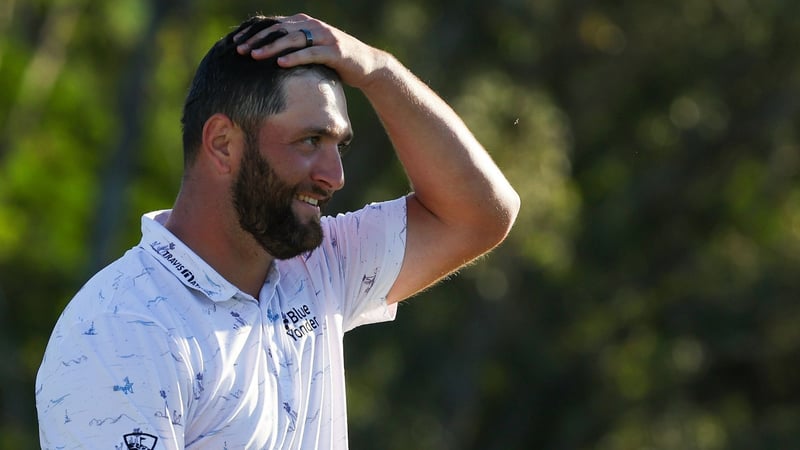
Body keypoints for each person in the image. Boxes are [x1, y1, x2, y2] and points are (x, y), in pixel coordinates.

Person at [35, 13, 520, 449]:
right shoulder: (121, 331)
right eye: (310, 140)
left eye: (338, 146)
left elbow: (480, 214)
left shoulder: (320, 268)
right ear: (222, 144)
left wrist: (378, 70)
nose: (335, 175)